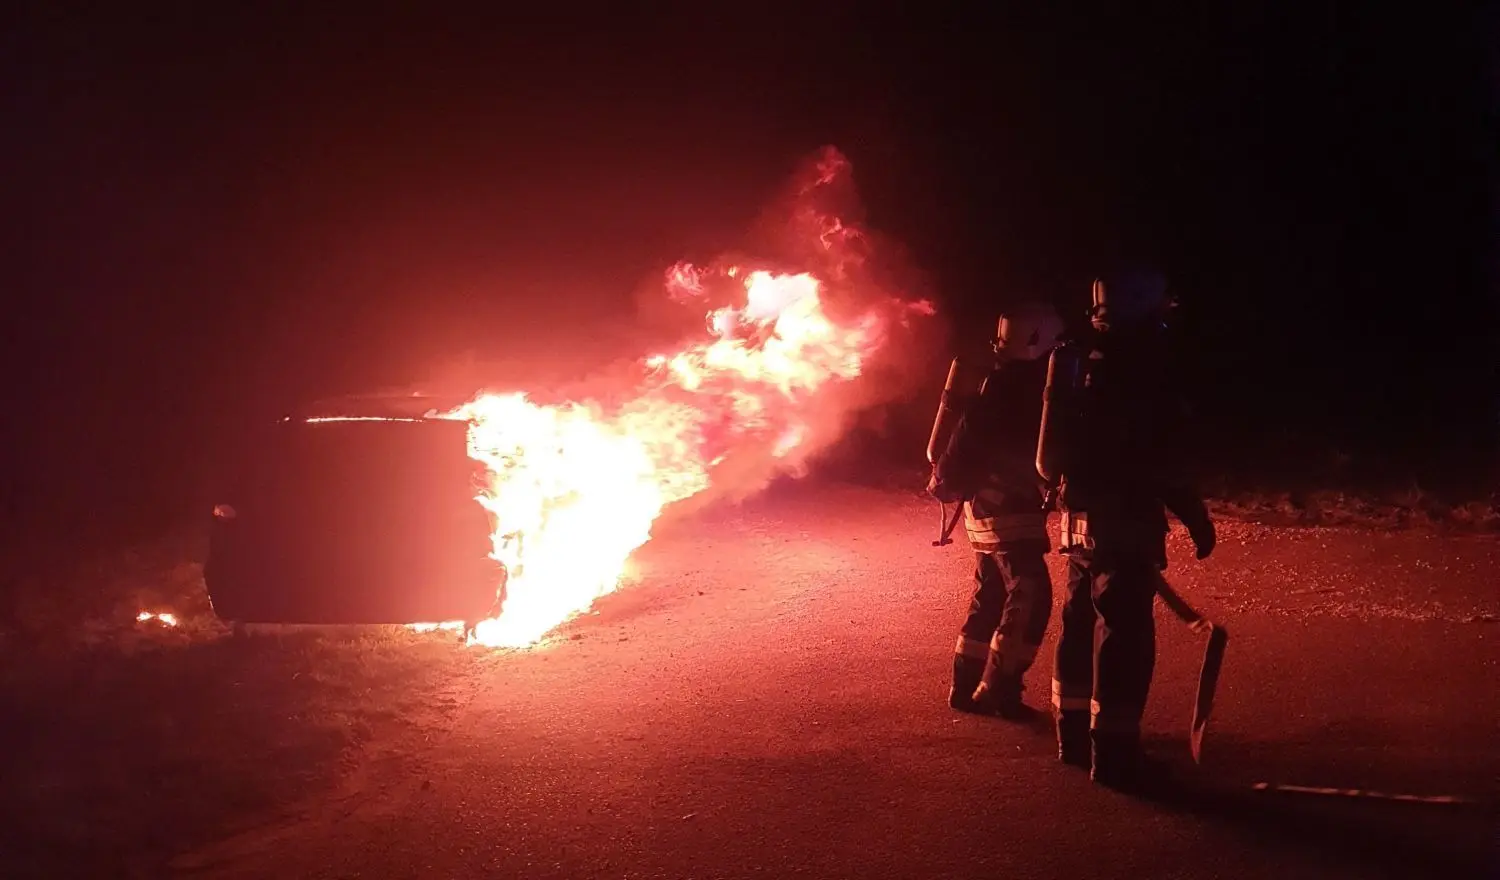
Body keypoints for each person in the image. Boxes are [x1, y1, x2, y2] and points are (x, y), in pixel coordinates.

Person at [1037, 268, 1216, 790]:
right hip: (1125, 519)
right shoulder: (1142, 370)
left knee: (1078, 621)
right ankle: (1114, 753)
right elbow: (1161, 458)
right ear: (1144, 310)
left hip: (1077, 519)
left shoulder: (1081, 361)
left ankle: (1073, 736)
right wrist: (1195, 515)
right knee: (1124, 634)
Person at [929, 302, 1065, 719]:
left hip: (984, 509)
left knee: (990, 593)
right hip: (1010, 511)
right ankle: (998, 688)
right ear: (1038, 342)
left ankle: (964, 683)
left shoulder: (999, 382)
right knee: (1030, 593)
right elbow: (977, 435)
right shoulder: (1020, 389)